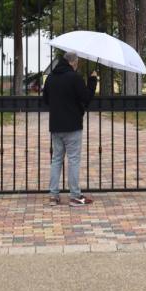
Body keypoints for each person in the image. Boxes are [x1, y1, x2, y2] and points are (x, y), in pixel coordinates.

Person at [42, 51, 98, 206]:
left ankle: (53, 195)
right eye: (77, 62)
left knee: (56, 160)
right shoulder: (74, 77)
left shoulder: (51, 78)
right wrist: (92, 80)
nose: (77, 64)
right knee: (73, 160)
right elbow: (86, 97)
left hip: (56, 126)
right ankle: (74, 196)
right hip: (72, 125)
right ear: (73, 62)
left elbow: (45, 99)